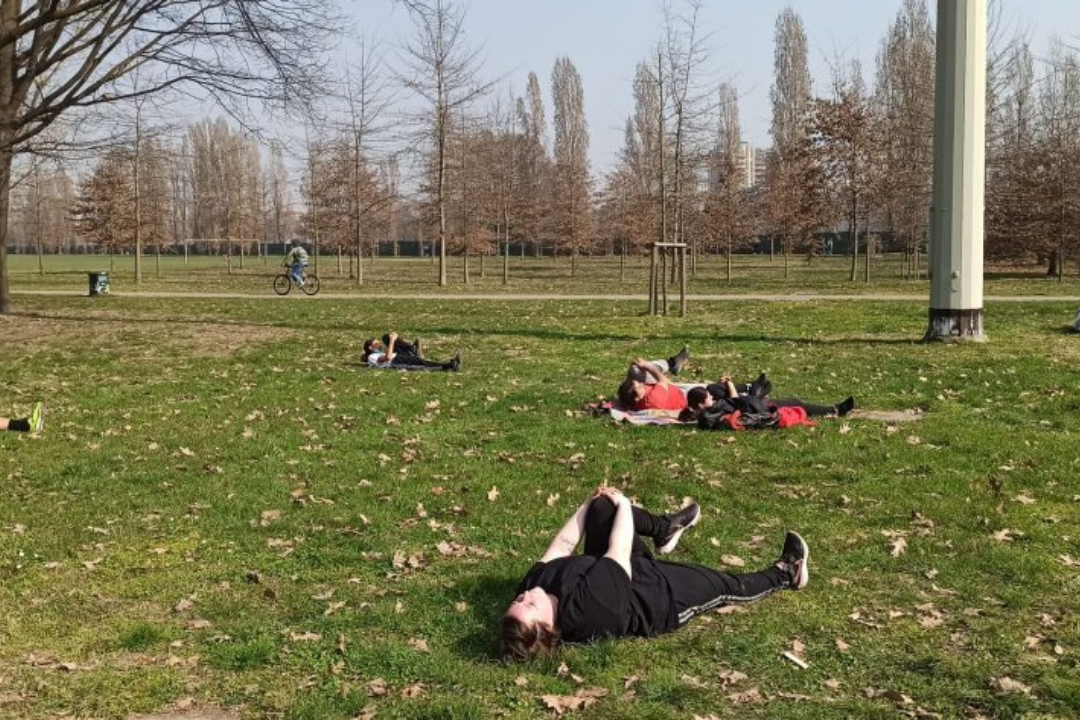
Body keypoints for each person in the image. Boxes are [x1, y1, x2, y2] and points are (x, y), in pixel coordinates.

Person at [499, 485, 809, 661]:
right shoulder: (589, 608)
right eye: (528, 606)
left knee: (602, 507)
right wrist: (624, 504)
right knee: (728, 585)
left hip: (615, 567)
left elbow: (564, 544)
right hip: (659, 595)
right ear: (547, 625)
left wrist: (590, 502)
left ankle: (665, 529)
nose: (524, 596)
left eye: (519, 600)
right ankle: (786, 572)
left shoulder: (534, 585)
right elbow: (618, 550)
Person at [685, 376, 855, 419]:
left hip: (752, 404)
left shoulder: (710, 409)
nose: (711, 399)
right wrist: (729, 383)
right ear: (701, 404)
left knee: (712, 387)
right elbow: (736, 401)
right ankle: (834, 410)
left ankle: (755, 388)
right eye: (708, 398)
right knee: (796, 403)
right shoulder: (718, 407)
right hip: (758, 408)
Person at [615, 347, 691, 412]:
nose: (642, 384)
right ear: (637, 398)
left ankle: (673, 364)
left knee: (635, 368)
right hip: (671, 389)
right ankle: (672, 364)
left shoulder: (631, 399)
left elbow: (626, 392)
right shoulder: (653, 399)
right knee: (638, 369)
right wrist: (646, 365)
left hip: (661, 388)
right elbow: (662, 380)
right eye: (639, 387)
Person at [362, 332, 461, 372]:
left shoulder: (376, 354)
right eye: (376, 344)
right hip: (396, 361)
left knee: (386, 337)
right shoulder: (372, 357)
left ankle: (412, 349)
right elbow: (387, 358)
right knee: (423, 364)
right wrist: (392, 341)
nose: (379, 345)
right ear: (370, 348)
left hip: (397, 356)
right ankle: (450, 366)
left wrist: (390, 339)